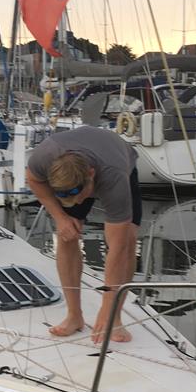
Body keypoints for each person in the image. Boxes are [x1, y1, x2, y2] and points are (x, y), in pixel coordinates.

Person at [26, 125, 141, 345]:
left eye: (79, 197)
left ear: (91, 176)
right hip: (74, 164)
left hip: (117, 157)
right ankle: (74, 316)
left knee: (126, 242)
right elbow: (33, 180)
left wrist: (106, 308)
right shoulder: (44, 158)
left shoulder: (113, 177)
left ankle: (115, 318)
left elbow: (117, 250)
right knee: (67, 235)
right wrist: (61, 217)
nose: (77, 203)